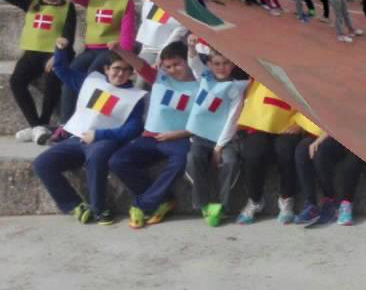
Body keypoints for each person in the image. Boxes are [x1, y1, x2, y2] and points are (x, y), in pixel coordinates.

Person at [33, 48, 146, 225]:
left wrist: (99, 134)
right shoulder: (91, 82)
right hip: (76, 138)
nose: (120, 73)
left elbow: (133, 129)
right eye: (116, 68)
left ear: (131, 73)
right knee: (42, 163)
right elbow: (62, 71)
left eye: (126, 70)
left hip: (104, 141)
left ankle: (99, 209)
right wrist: (60, 50)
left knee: (96, 158)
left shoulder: (135, 96)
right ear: (106, 69)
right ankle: (74, 205)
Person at [108, 40, 197, 228]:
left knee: (180, 161)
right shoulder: (160, 78)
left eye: (177, 64)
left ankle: (142, 204)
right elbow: (138, 64)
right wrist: (119, 50)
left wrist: (176, 135)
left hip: (178, 139)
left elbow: (205, 122)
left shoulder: (201, 86)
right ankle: (163, 199)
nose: (173, 70)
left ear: (188, 61)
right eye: (168, 66)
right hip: (150, 138)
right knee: (117, 160)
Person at [50, 0, 137, 136]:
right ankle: (65, 124)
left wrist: (124, 55)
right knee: (68, 78)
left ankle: (85, 123)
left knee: (89, 79)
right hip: (90, 49)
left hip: (110, 52)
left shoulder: (124, 0)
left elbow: (127, 31)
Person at [0, 0, 74, 144]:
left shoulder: (67, 7)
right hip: (32, 53)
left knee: (53, 79)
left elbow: (68, 36)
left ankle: (43, 123)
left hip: (55, 54)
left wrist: (57, 56)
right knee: (16, 81)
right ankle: (37, 126)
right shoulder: (31, 3)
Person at [184, 38, 252, 227]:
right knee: (193, 159)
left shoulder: (235, 88)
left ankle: (222, 205)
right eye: (216, 63)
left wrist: (219, 147)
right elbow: (193, 63)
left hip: (225, 140)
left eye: (225, 63)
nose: (221, 67)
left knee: (230, 162)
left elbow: (232, 119)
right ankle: (203, 203)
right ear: (210, 64)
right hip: (200, 137)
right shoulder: (204, 77)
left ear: (232, 65)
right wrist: (190, 46)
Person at [231, 79, 307, 226]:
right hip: (259, 122)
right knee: (253, 155)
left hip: (290, 122)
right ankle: (255, 200)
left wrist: (301, 123)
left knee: (286, 151)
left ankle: (287, 198)